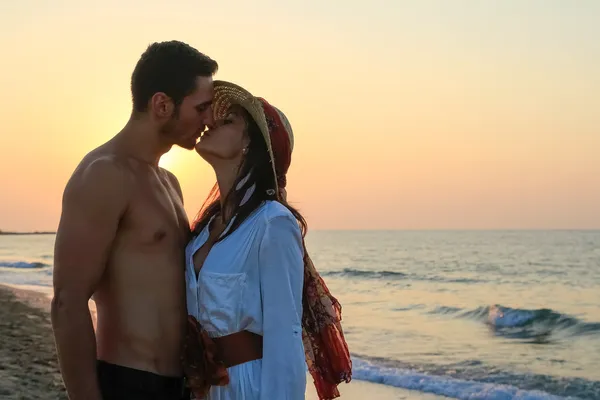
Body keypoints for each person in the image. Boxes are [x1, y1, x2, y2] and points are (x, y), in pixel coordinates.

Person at [51, 40, 217, 400]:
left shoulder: (169, 182)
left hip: (179, 385)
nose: (208, 119)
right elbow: (68, 300)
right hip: (128, 382)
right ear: (162, 105)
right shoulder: (104, 175)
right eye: (201, 107)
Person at [181, 81, 352, 400]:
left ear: (250, 144)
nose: (212, 123)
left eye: (228, 121)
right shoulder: (203, 230)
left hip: (248, 386)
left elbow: (284, 335)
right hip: (203, 386)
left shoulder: (272, 222)